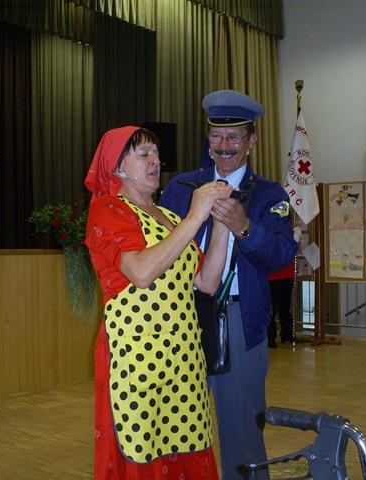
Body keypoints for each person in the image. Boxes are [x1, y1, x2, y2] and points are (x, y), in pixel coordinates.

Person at [159, 90, 298, 480]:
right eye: (217, 136)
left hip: (236, 318)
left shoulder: (270, 195)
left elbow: (280, 255)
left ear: (252, 141)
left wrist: (244, 227)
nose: (224, 146)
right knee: (175, 422)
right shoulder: (181, 188)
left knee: (241, 426)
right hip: (179, 316)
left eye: (234, 137)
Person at [83, 125, 234, 480]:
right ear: (117, 167)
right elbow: (141, 271)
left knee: (188, 443)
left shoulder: (170, 219)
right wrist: (196, 216)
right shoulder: (108, 209)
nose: (156, 161)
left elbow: (207, 282)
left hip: (183, 357)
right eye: (144, 154)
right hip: (137, 356)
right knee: (142, 448)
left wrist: (222, 222)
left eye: (156, 153)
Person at [267, 261, 296, 347]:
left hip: (276, 276)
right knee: (282, 309)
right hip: (284, 275)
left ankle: (272, 337)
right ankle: (285, 336)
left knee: (276, 309)